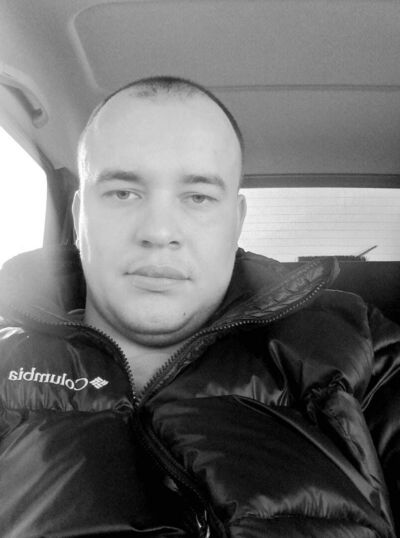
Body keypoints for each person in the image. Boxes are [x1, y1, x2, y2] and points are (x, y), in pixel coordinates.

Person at [0, 76, 399, 538]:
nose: (159, 231)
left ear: (237, 223)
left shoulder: (357, 348)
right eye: (123, 193)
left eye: (198, 197)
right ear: (78, 216)